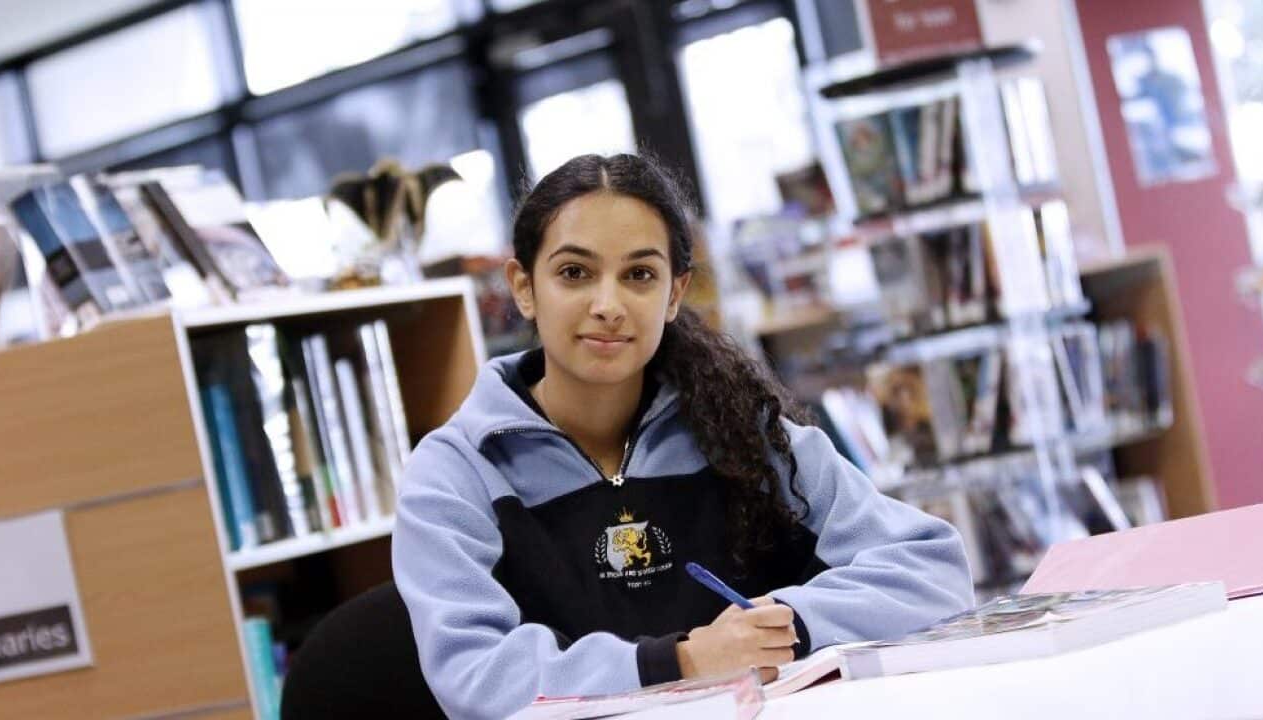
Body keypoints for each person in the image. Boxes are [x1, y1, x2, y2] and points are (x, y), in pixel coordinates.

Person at [392, 153, 973, 719]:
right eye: (574, 273)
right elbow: (475, 677)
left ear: (674, 294)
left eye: (639, 275)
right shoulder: (455, 474)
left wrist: (783, 625)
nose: (608, 305)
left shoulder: (743, 430)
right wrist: (680, 662)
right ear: (523, 287)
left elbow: (932, 568)